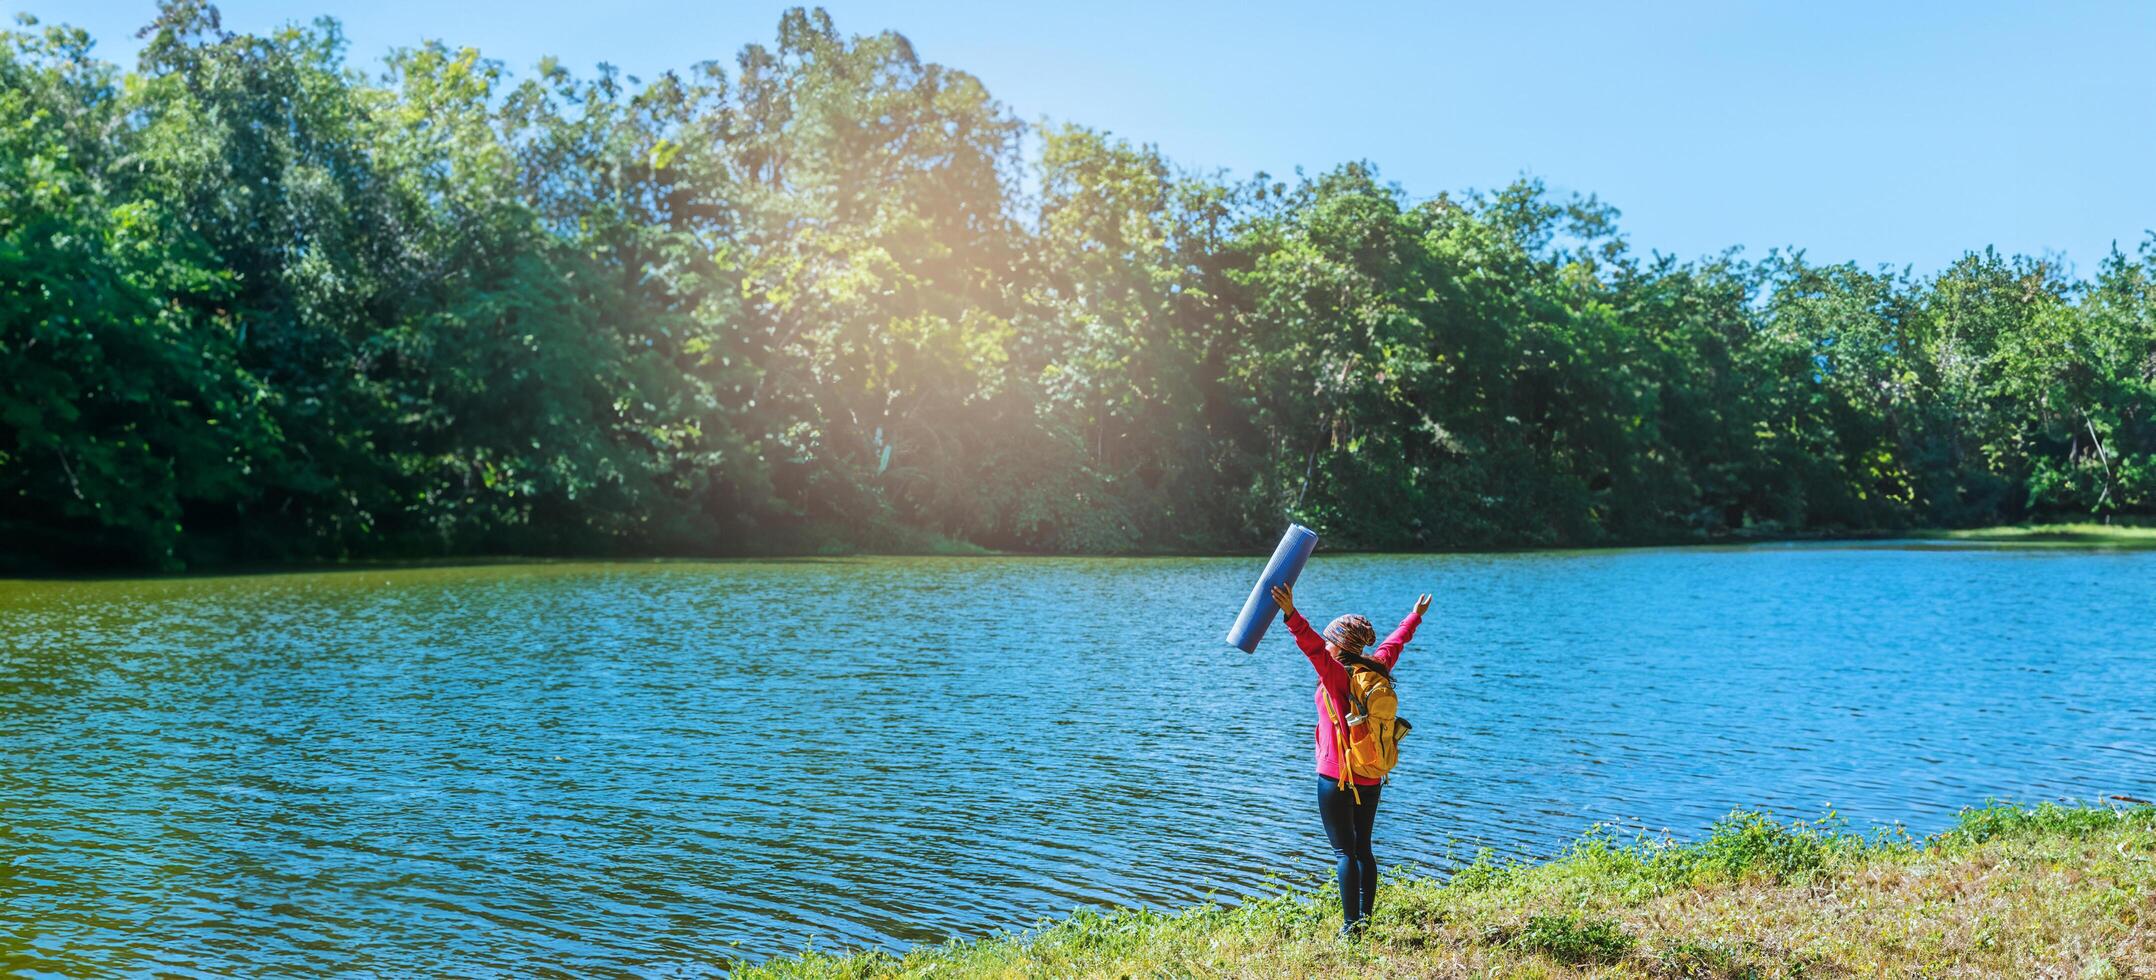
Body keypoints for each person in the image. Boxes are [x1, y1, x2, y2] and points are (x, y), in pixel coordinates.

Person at [1268, 581, 1429, 938]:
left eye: (1331, 640)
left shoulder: (1337, 675)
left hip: (1336, 779)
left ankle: (1350, 927)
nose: (1326, 644)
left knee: (1344, 853)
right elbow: (1393, 645)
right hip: (1371, 773)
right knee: (1364, 850)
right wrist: (1413, 618)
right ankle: (1365, 922)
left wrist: (1292, 614)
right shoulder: (1376, 669)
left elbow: (1311, 648)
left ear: (1340, 646)